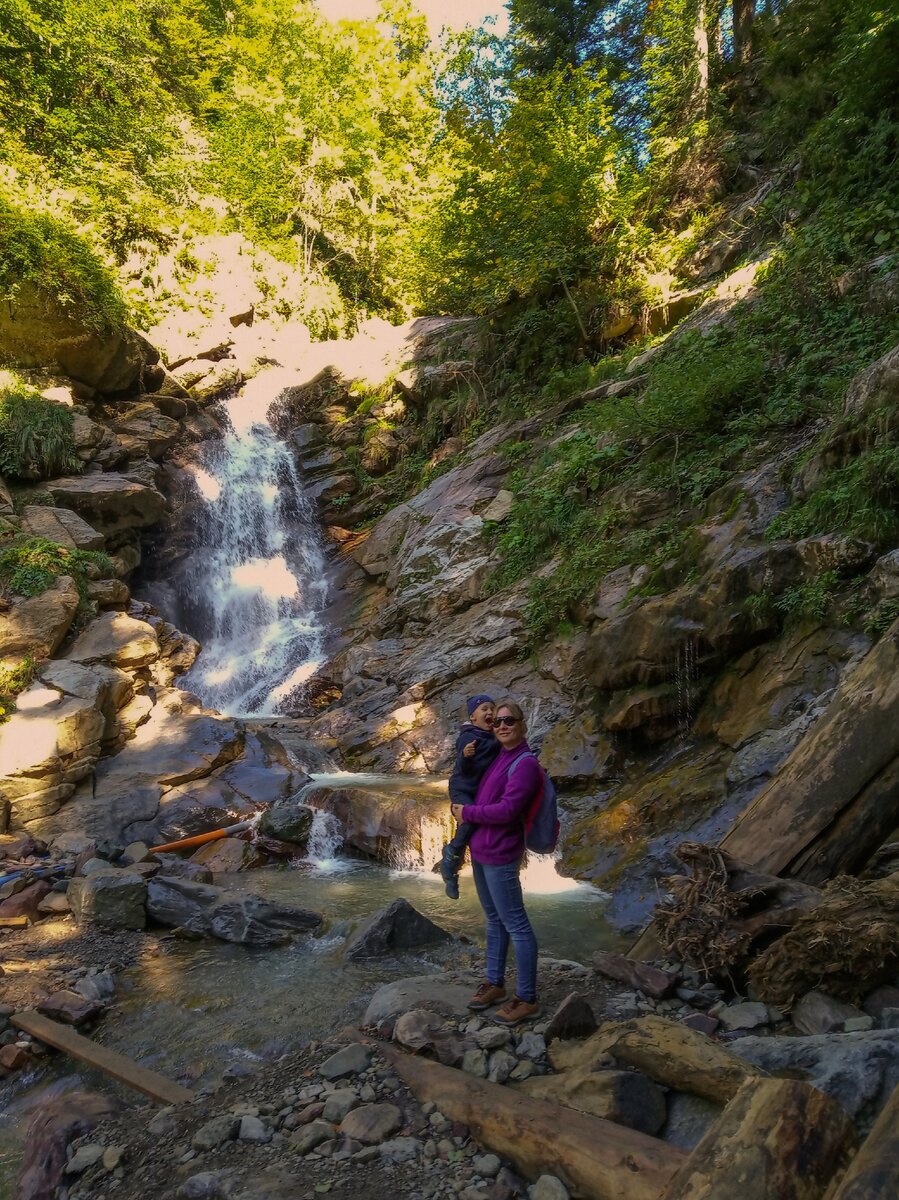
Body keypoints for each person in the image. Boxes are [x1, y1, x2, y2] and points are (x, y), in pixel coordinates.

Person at [451, 700, 542, 1026]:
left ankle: (527, 997)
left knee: (516, 924)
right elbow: (466, 778)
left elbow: (507, 811)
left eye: (509, 721)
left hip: (502, 854)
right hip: (481, 851)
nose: (502, 725)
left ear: (521, 725)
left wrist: (466, 814)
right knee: (494, 919)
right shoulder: (498, 755)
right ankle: (495, 983)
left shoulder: (525, 763)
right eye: (498, 721)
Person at [440, 695, 501, 899]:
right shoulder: (468, 737)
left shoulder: (495, 736)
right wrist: (465, 756)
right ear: (473, 717)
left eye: (492, 709)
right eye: (484, 709)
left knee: (480, 820)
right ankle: (451, 857)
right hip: (462, 788)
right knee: (469, 819)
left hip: (480, 790)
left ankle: (455, 865)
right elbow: (463, 769)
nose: (490, 713)